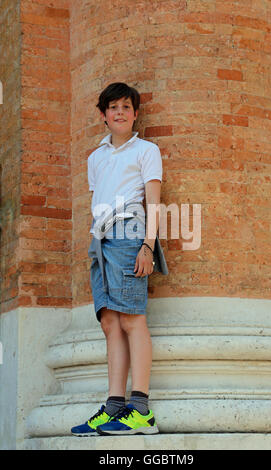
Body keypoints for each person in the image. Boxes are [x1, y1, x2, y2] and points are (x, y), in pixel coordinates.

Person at [71, 82, 166, 436]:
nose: (120, 112)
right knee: (109, 322)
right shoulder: (94, 158)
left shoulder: (146, 150)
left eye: (126, 107)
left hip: (129, 236)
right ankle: (113, 406)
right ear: (103, 115)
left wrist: (147, 246)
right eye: (113, 108)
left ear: (135, 113)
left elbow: (153, 202)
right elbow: (96, 203)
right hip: (100, 238)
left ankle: (140, 410)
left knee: (131, 319)